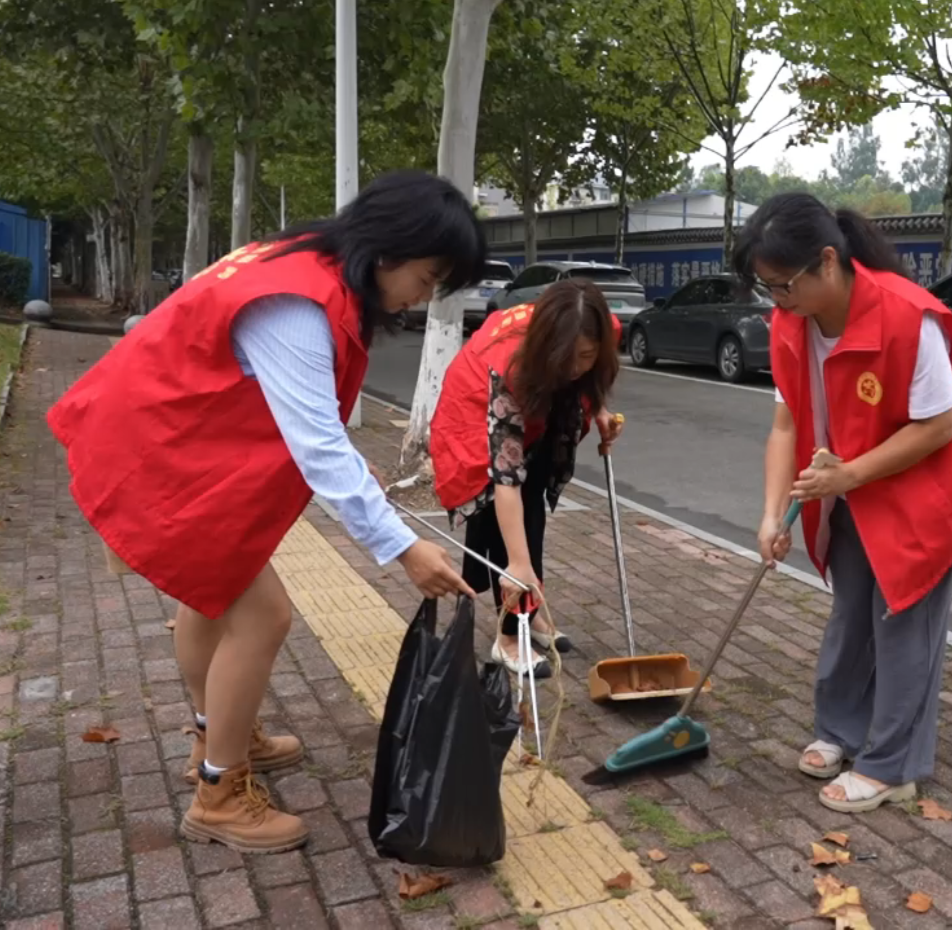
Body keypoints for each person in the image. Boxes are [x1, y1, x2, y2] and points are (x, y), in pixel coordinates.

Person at [47, 170, 481, 853]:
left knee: (211, 596)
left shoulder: (299, 262)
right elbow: (317, 446)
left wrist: (350, 464)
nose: (424, 296)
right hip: (159, 458)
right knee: (263, 614)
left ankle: (215, 736)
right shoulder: (298, 303)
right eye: (428, 277)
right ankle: (219, 794)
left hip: (166, 444)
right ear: (389, 248)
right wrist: (401, 546)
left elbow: (299, 415)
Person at [735, 192, 952, 814]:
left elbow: (938, 427)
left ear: (826, 261)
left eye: (783, 284)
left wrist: (847, 475)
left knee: (902, 621)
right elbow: (786, 426)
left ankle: (892, 765)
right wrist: (770, 514)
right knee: (851, 612)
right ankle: (841, 730)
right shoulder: (791, 325)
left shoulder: (908, 317)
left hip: (920, 493)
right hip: (847, 489)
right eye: (767, 287)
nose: (777, 299)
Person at [430, 279, 623, 676]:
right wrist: (518, 565)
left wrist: (599, 409)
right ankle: (508, 638)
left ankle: (529, 617)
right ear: (549, 347)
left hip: (538, 401)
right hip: (473, 414)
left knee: (532, 513)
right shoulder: (510, 366)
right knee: (503, 530)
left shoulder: (599, 326)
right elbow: (506, 478)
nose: (576, 368)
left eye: (586, 356)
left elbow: (589, 377)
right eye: (567, 358)